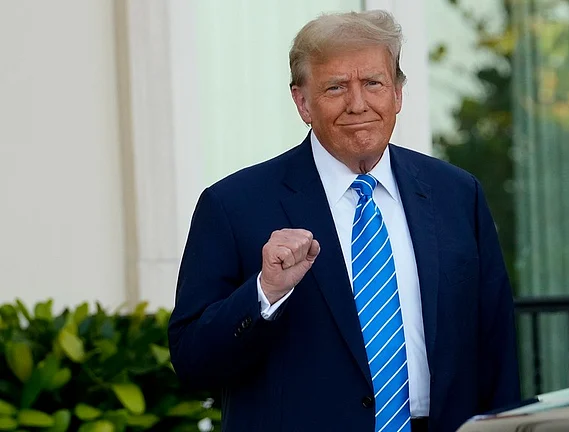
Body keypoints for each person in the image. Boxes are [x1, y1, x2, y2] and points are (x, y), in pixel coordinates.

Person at [168, 9, 521, 432]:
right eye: (335, 87)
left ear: (397, 94)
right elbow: (191, 360)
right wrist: (264, 293)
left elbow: (496, 349)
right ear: (302, 102)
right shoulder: (233, 205)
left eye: (373, 83)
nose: (358, 104)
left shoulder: (457, 194)